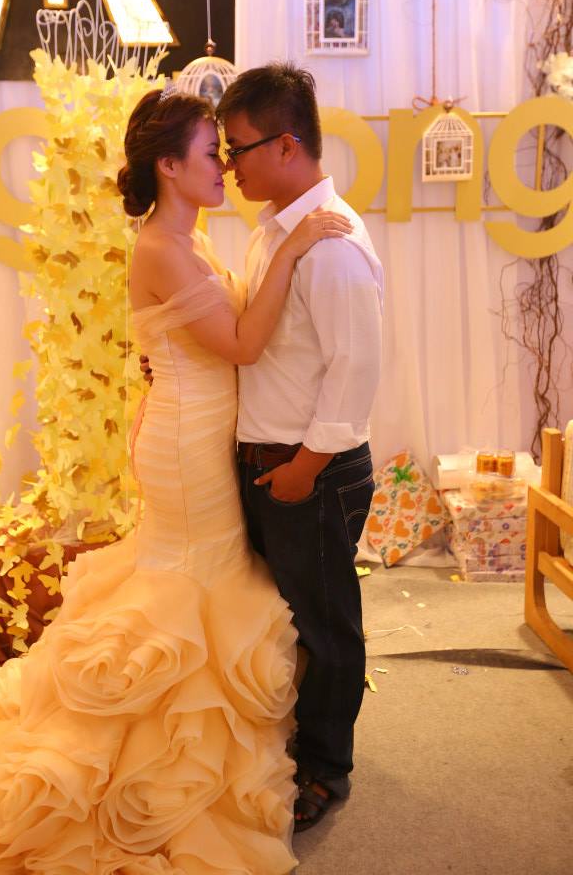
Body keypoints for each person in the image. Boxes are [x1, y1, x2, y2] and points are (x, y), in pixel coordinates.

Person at [0, 88, 352, 873]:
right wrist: (294, 249)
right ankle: (145, 744)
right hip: (187, 447)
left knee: (205, 577)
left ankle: (188, 725)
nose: (224, 166)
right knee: (185, 584)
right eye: (210, 154)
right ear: (168, 166)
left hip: (198, 430)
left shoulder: (190, 239)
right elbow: (242, 345)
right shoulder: (161, 245)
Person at [216, 63, 383, 832]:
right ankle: (299, 743)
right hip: (273, 462)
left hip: (308, 468)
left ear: (286, 145)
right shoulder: (276, 233)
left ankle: (325, 769)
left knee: (326, 624)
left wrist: (304, 470)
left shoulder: (333, 245)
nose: (230, 165)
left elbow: (356, 371)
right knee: (287, 619)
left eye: (238, 148)